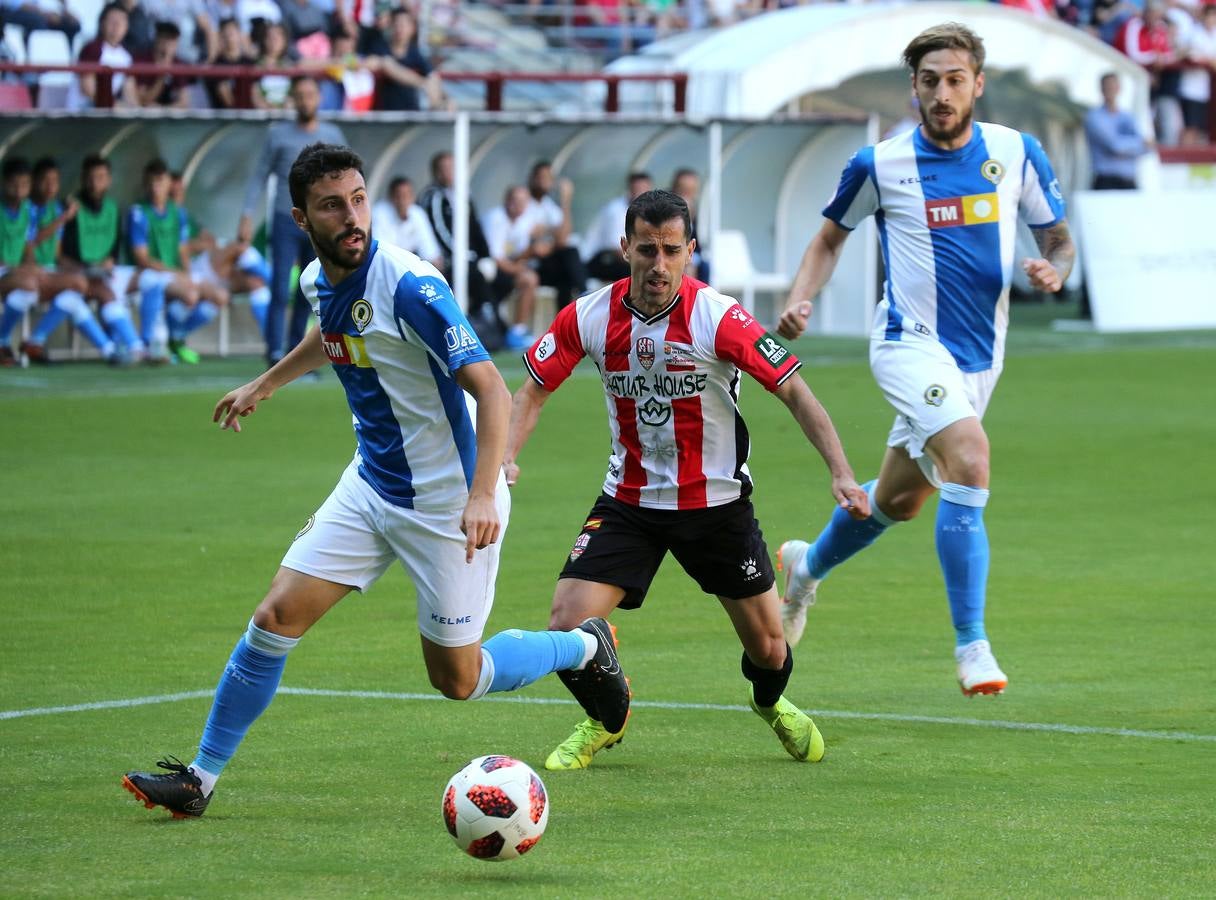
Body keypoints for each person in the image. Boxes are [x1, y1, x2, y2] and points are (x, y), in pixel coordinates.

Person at [121, 143, 630, 818]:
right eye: (333, 205)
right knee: (274, 617)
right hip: (370, 486)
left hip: (450, 502)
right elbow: (330, 331)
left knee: (458, 677)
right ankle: (199, 780)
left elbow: (491, 390)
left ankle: (582, 645)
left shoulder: (412, 287)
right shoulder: (315, 279)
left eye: (358, 199)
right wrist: (265, 383)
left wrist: (482, 493)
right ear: (302, 218)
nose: (352, 215)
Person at [504, 188, 870, 771]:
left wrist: (841, 472)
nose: (657, 263)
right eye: (645, 249)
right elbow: (532, 391)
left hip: (717, 505)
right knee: (566, 623)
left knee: (771, 650)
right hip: (630, 501)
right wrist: (504, 458)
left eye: (670, 250)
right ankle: (607, 717)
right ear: (625, 247)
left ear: (689, 251)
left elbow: (794, 389)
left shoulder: (720, 317)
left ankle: (770, 703)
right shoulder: (588, 315)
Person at [773, 23, 1075, 697]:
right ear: (914, 86)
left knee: (899, 502)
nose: (942, 93)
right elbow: (828, 240)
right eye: (930, 80)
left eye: (955, 79)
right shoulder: (880, 165)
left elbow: (1058, 238)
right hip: (907, 342)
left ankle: (806, 568)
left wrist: (1053, 270)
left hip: (977, 360)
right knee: (969, 457)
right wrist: (800, 300)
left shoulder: (1015, 153)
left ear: (978, 84)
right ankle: (973, 646)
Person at [239, 75, 345, 366]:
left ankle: (296, 351)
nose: (305, 100)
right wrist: (247, 215)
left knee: (309, 289)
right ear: (292, 99)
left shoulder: (333, 135)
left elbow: (345, 180)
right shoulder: (278, 134)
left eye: (310, 94)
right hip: (285, 220)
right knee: (279, 286)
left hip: (320, 224)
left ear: (319, 98)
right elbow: (260, 176)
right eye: (299, 95)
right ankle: (274, 350)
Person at [17, 157, 130, 366]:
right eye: (45, 180)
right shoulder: (29, 210)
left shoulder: (58, 209)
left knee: (72, 297)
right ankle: (132, 345)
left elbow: (58, 255)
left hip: (50, 272)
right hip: (24, 273)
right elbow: (30, 244)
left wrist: (84, 269)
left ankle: (111, 349)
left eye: (55, 181)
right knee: (79, 285)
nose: (51, 186)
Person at [128, 158, 220, 364]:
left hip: (173, 274)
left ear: (169, 183)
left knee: (220, 296)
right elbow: (142, 258)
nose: (155, 188)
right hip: (149, 274)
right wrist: (179, 276)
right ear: (145, 184)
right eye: (151, 183)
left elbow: (182, 250)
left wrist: (188, 275)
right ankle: (159, 340)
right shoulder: (138, 212)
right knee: (190, 295)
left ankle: (176, 335)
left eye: (159, 182)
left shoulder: (178, 213)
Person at [417, 150, 502, 349]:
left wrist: (486, 256)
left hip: (468, 258)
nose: (450, 173)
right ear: (436, 172)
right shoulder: (432, 197)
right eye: (445, 168)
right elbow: (439, 231)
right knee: (472, 278)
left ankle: (493, 325)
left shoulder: (463, 194)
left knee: (501, 280)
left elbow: (475, 225)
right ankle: (486, 327)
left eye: (452, 168)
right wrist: (465, 256)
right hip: (446, 261)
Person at [481, 184, 540, 351]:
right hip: (488, 272)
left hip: (507, 270)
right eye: (516, 201)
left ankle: (517, 331)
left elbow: (518, 256)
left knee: (531, 279)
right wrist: (519, 269)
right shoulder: (495, 219)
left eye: (523, 202)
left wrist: (532, 250)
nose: (519, 205)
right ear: (507, 201)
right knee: (529, 278)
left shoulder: (524, 221)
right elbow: (496, 258)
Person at [524, 160, 587, 310]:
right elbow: (535, 243)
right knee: (569, 255)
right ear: (532, 179)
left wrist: (565, 201)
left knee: (566, 276)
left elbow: (563, 238)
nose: (545, 182)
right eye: (541, 177)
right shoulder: (524, 203)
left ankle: (563, 325)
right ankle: (585, 293)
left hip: (548, 260)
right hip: (530, 263)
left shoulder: (549, 206)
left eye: (548, 178)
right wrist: (551, 235)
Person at [367, 6, 447, 111]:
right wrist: (422, 83)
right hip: (384, 115)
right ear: (390, 26)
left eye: (404, 25)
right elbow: (380, 64)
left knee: (446, 99)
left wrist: (442, 99)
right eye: (397, 24)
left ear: (412, 28)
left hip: (411, 114)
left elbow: (432, 76)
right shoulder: (380, 47)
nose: (400, 29)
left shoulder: (415, 53)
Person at [1084, 72, 1154, 189]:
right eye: (1107, 86)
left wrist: (1136, 145)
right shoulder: (1094, 117)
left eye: (1113, 86)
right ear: (1101, 89)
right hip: (1106, 182)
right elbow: (1115, 146)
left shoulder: (1127, 116)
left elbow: (1148, 149)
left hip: (1129, 182)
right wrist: (1139, 143)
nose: (1110, 89)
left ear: (1119, 88)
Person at [581, 171, 652, 283]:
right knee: (635, 271)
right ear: (630, 189)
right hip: (598, 258)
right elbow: (617, 249)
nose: (641, 194)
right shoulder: (615, 210)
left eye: (644, 190)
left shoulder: (647, 212)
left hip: (622, 258)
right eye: (637, 189)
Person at [69, 2, 140, 110]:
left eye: (121, 21)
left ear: (127, 27)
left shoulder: (127, 57)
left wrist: (137, 110)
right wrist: (115, 106)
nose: (116, 26)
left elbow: (130, 94)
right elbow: (87, 89)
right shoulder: (92, 49)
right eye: (112, 21)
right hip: (83, 112)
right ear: (102, 23)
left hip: (107, 111)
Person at [371, 175, 443, 269]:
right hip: (384, 267)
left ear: (413, 197)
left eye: (407, 196)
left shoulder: (417, 214)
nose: (403, 201)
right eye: (398, 196)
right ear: (390, 198)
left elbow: (431, 253)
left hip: (408, 266)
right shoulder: (378, 213)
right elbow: (381, 253)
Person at [133, 20, 193, 110]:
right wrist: (162, 76)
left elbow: (184, 102)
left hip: (168, 115)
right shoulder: (142, 61)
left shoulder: (178, 63)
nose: (168, 45)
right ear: (157, 39)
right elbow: (143, 100)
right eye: (165, 40)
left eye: (172, 41)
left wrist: (163, 110)